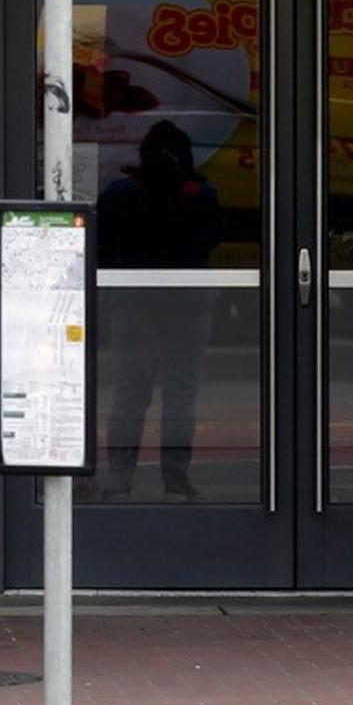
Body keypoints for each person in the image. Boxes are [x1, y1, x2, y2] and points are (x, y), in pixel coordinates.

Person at [93, 119, 227, 500]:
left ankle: (119, 479)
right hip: (189, 302)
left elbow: (103, 244)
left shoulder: (122, 193)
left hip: (134, 301)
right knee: (181, 393)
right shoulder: (201, 195)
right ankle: (176, 479)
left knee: (129, 393)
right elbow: (213, 237)